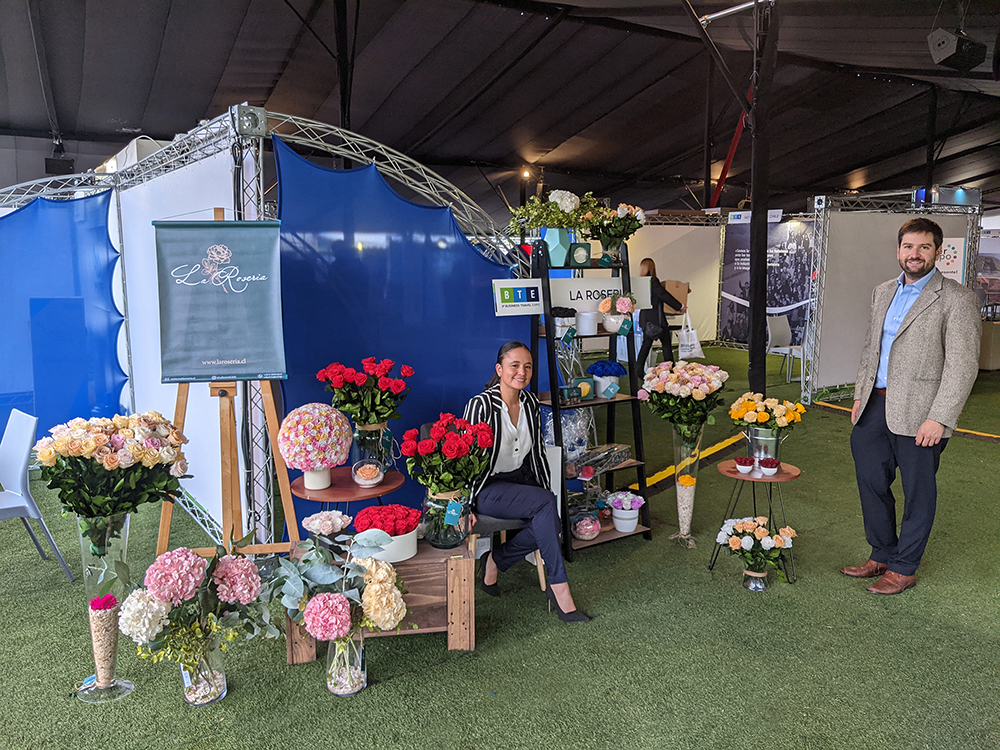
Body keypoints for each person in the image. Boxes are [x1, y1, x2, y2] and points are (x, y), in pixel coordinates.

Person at [842, 218, 981, 595]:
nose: (914, 254)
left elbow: (963, 364)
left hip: (922, 414)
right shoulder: (882, 291)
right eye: (908, 247)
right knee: (871, 482)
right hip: (874, 406)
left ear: (938, 252)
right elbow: (872, 348)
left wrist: (940, 417)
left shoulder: (957, 298)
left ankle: (904, 567)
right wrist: (859, 395)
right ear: (898, 250)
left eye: (923, 247)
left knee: (918, 491)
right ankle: (882, 553)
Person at [463, 341, 589, 622]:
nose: (522, 372)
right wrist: (466, 506)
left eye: (528, 366)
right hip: (488, 486)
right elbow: (466, 459)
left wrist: (546, 490)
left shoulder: (530, 402)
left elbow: (537, 455)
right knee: (546, 505)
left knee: (550, 515)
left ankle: (496, 559)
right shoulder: (480, 405)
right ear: (499, 369)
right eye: (515, 365)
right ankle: (560, 589)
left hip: (520, 480)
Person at [635, 258, 684, 377]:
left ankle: (638, 370)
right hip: (657, 320)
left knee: (646, 345)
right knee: (666, 344)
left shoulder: (639, 283)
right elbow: (664, 295)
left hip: (645, 320)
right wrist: (679, 306)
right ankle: (670, 370)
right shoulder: (653, 281)